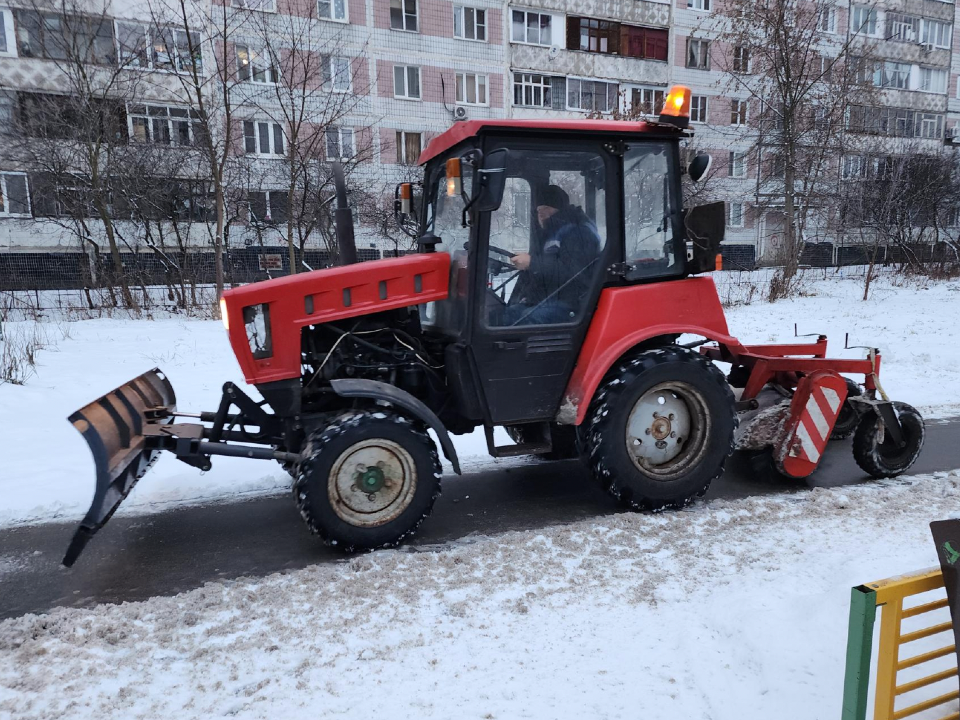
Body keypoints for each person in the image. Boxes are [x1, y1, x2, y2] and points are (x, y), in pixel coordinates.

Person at [504, 185, 601, 325]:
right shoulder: (550, 235)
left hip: (574, 302)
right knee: (510, 313)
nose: (541, 213)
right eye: (538, 210)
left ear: (560, 209)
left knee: (525, 318)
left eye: (546, 208)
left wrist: (533, 263)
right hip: (553, 298)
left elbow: (573, 272)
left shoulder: (578, 233)